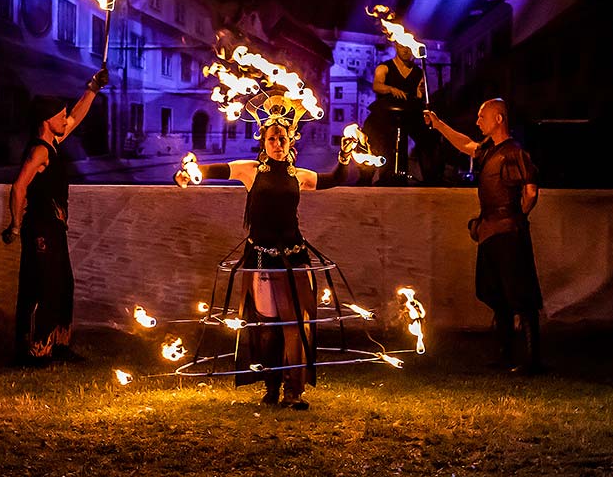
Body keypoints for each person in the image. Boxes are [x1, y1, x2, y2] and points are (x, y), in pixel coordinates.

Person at [174, 117, 353, 408]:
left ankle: (293, 390)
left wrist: (344, 156)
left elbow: (336, 179)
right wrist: (186, 174)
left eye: (283, 139)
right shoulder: (251, 171)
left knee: (296, 324)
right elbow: (209, 171)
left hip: (295, 257)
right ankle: (270, 385)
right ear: (263, 141)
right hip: (260, 257)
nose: (278, 144)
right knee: (266, 325)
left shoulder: (299, 175)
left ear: (291, 140)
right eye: (272, 139)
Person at [424, 99, 545, 374]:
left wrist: (517, 217)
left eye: (482, 117)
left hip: (509, 232)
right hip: (490, 231)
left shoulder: (514, 152)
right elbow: (465, 145)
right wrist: (439, 124)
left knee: (520, 295)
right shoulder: (489, 151)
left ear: (499, 119)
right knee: (495, 292)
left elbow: (530, 192)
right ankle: (505, 355)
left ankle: (531, 360)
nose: (478, 122)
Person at [2, 68, 109, 366]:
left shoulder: (53, 143)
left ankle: (58, 345)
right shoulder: (39, 151)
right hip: (40, 229)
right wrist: (16, 224)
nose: (66, 120)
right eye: (60, 116)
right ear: (47, 120)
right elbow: (19, 186)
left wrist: (92, 88)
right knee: (42, 287)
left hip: (54, 228)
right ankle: (35, 352)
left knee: (63, 285)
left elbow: (77, 115)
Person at [358, 42, 440, 186]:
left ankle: (431, 179)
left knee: (429, 137)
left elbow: (419, 96)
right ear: (396, 47)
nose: (405, 51)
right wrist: (391, 89)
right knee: (373, 136)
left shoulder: (419, 72)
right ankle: (367, 178)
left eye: (408, 48)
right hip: (385, 113)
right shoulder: (384, 67)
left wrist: (421, 92)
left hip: (409, 113)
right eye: (402, 47)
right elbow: (377, 85)